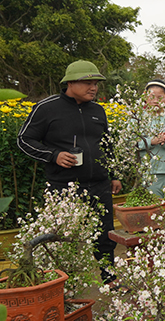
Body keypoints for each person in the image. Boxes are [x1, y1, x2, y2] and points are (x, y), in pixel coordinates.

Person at [17, 60, 122, 284]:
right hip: (64, 187)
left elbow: (106, 144)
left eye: (95, 83)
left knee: (105, 235)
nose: (93, 87)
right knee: (63, 237)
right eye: (87, 82)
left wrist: (113, 174)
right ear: (70, 83)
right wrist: (53, 155)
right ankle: (65, 283)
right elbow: (24, 140)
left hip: (100, 185)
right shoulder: (47, 108)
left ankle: (110, 280)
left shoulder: (98, 110)